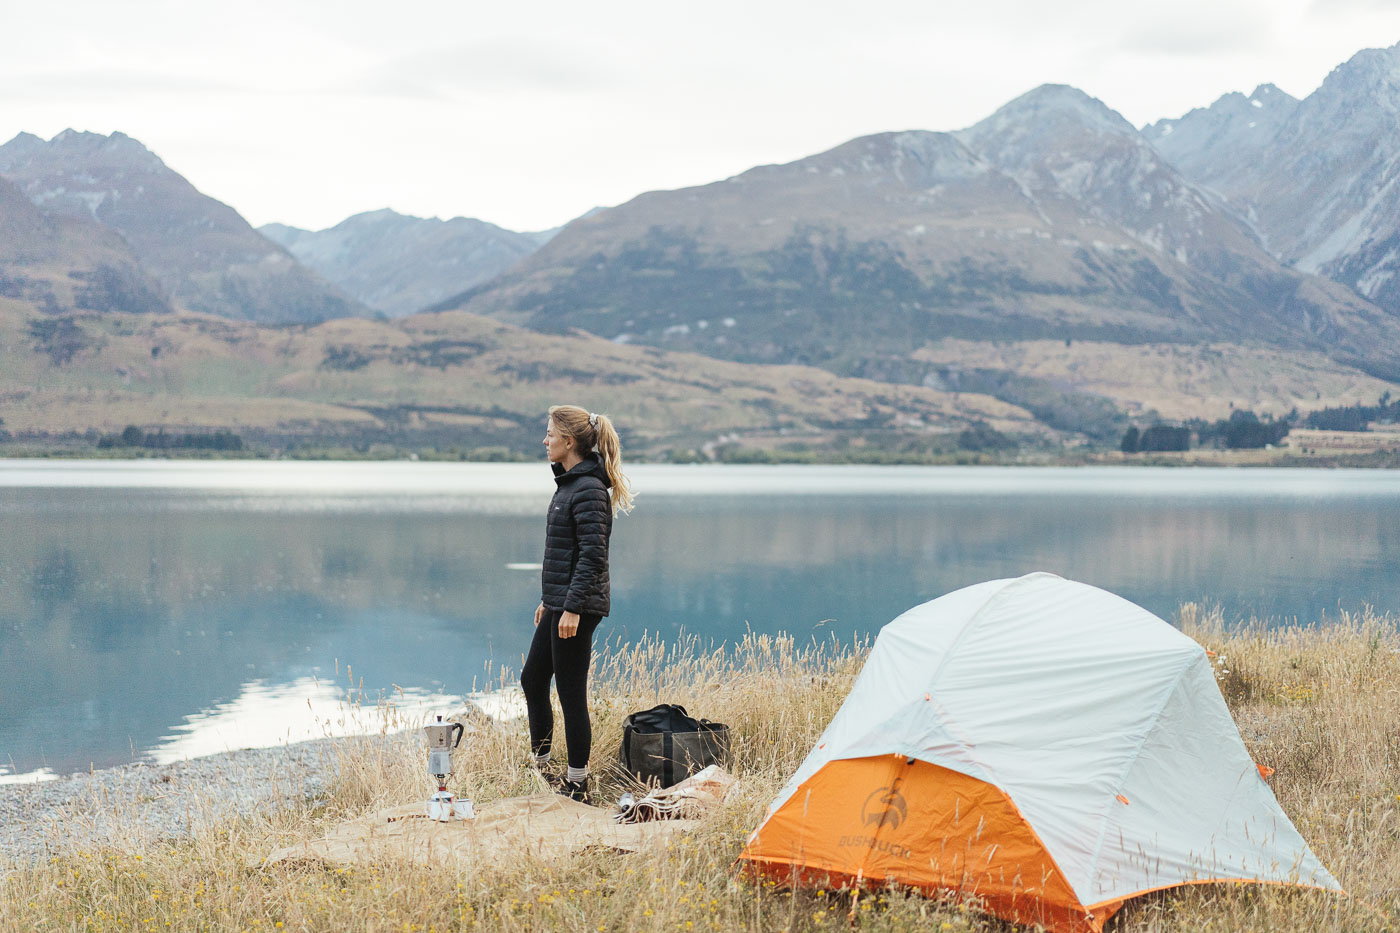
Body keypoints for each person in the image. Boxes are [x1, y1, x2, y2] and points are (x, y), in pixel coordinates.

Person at [521, 405, 633, 802]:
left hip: (578, 608)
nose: (545, 440)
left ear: (569, 441)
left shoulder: (587, 490)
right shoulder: (569, 485)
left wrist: (569, 608)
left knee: (570, 693)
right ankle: (542, 770)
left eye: (550, 434)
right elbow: (565, 553)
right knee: (532, 681)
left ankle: (577, 783)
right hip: (562, 602)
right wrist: (549, 601)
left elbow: (591, 556)